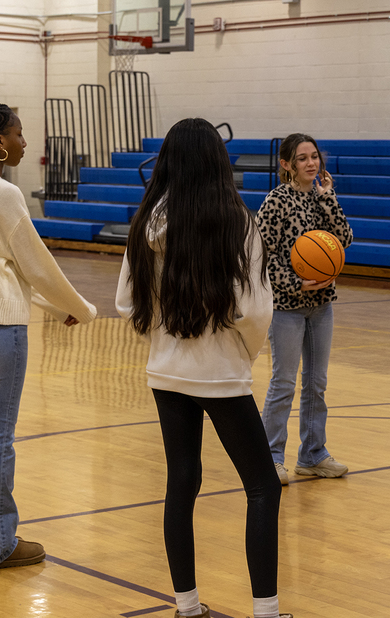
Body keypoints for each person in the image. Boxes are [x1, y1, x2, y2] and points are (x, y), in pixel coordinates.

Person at [115, 118, 290, 618]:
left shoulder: (145, 220)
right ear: (217, 160)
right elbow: (254, 311)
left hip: (166, 374)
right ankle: (266, 612)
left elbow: (127, 302)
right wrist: (241, 355)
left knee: (182, 483)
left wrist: (165, 339)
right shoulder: (237, 219)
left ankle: (187, 608)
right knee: (262, 486)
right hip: (221, 374)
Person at [0, 102, 97, 570]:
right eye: (20, 134)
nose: (26, 143)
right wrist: (80, 309)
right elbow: (36, 267)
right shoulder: (2, 194)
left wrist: (55, 307)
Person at [256, 133, 354, 485]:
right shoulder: (276, 202)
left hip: (322, 304)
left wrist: (329, 200)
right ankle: (270, 457)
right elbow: (260, 257)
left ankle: (313, 455)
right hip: (286, 306)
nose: (311, 163)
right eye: (302, 158)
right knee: (283, 383)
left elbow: (344, 239)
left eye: (314, 156)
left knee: (317, 383)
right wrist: (295, 283)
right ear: (286, 165)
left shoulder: (321, 197)